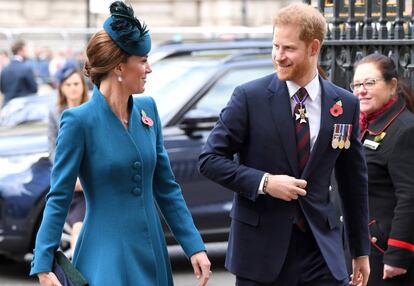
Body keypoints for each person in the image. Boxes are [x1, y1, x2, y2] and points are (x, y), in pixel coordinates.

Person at [30, 2, 211, 286]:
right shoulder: (78, 121)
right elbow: (60, 195)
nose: (149, 69)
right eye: (143, 60)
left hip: (153, 251)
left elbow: (166, 187)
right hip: (105, 255)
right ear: (119, 67)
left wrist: (194, 245)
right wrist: (43, 262)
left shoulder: (148, 109)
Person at [199, 3, 370, 286]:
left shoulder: (345, 104)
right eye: (275, 46)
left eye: (288, 48)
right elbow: (210, 160)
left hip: (321, 251)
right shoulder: (248, 97)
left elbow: (354, 182)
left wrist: (360, 251)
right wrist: (265, 182)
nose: (279, 56)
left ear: (313, 47)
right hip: (261, 254)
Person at [351, 53, 414, 286]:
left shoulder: (405, 129)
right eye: (357, 84)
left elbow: (409, 197)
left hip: (383, 253)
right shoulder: (360, 125)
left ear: (392, 86)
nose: (361, 90)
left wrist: (398, 254)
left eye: (370, 83)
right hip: (358, 247)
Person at [48, 63, 89, 255]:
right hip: (70, 181)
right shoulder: (56, 113)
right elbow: (53, 149)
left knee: (80, 225)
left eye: (76, 84)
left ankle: (77, 267)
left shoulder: (91, 109)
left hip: (90, 179)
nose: (73, 88)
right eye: (69, 84)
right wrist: (70, 177)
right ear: (62, 88)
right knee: (76, 223)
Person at [0, 40, 38, 107]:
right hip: (22, 107)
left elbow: (2, 89)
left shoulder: (5, 69)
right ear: (21, 50)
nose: (27, 53)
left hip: (7, 106)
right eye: (26, 50)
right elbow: (34, 89)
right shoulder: (26, 68)